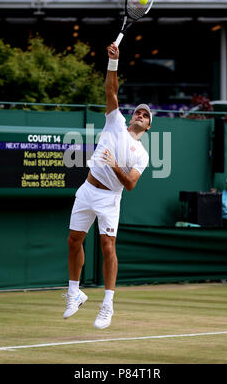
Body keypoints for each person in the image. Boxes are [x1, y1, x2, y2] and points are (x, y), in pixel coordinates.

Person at [63, 42, 151, 329]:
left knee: (107, 246)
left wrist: (114, 164)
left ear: (148, 127)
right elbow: (111, 91)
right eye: (138, 111)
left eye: (145, 115)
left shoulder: (143, 155)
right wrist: (113, 61)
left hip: (110, 198)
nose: (140, 114)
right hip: (87, 190)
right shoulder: (115, 122)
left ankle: (108, 305)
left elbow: (131, 185)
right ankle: (74, 293)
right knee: (73, 240)